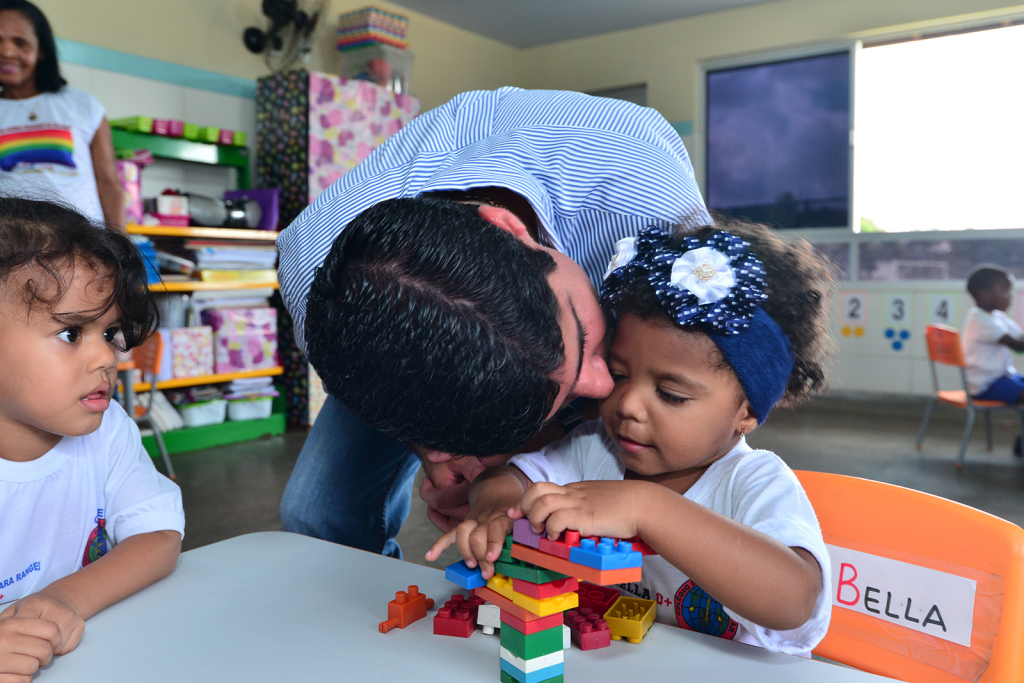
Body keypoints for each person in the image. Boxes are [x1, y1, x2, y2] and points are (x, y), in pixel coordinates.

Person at [277, 87, 711, 557]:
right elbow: (388, 403)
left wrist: (524, 456)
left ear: (512, 228)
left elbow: (708, 372)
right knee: (317, 514)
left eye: (585, 335)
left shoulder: (654, 213)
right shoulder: (319, 287)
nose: (605, 383)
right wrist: (444, 450)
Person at [427, 219, 835, 655]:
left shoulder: (754, 483)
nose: (627, 405)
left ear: (747, 412)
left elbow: (795, 601)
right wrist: (492, 506)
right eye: (619, 375)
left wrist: (649, 508)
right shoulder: (594, 448)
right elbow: (511, 477)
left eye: (670, 394)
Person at [0, 198, 183, 681]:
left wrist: (59, 600)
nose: (107, 357)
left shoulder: (109, 429)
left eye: (111, 332)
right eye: (71, 333)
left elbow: (159, 535)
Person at [0, 0, 124, 230]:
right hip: (11, 247)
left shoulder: (83, 106)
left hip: (80, 243)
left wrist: (121, 251)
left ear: (41, 50)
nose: (7, 52)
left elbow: (108, 184)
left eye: (21, 43)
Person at [963, 264, 1024, 404]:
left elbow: (1020, 337)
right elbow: (1017, 345)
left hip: (1004, 378)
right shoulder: (980, 319)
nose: (1011, 297)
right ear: (984, 293)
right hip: (985, 385)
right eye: (1006, 292)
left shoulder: (997, 316)